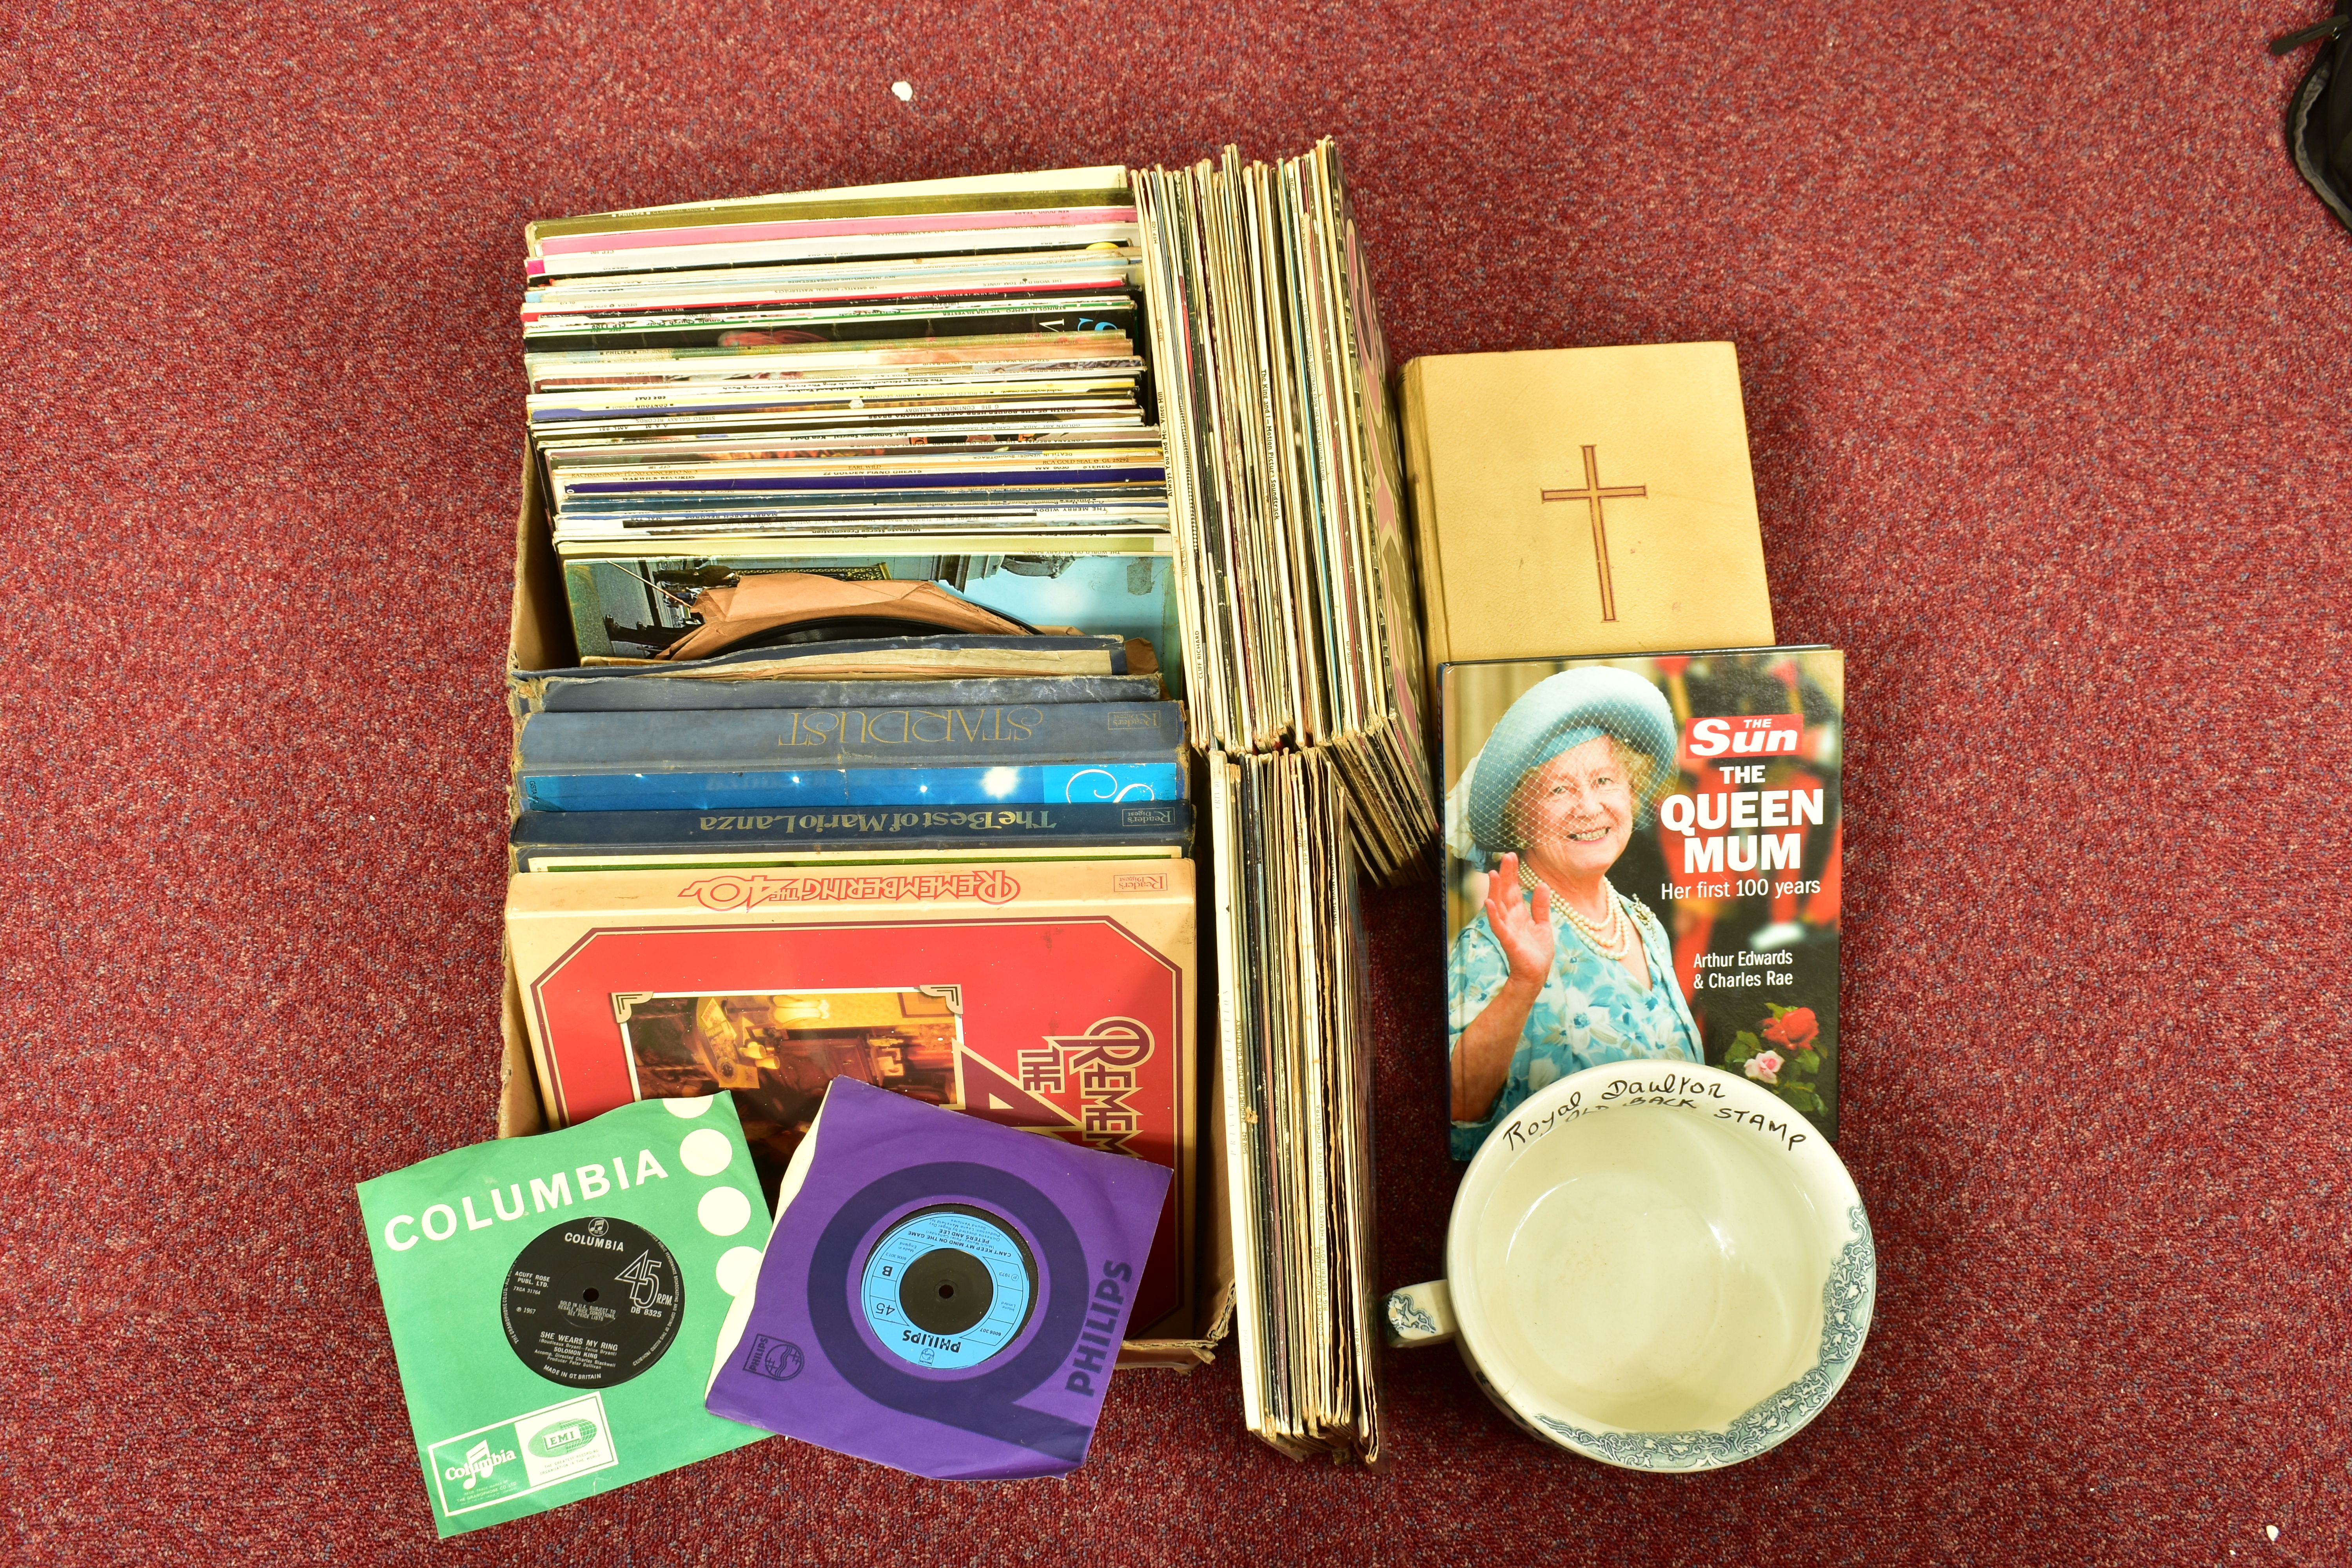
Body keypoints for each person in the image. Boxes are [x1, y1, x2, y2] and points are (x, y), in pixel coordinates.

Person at [1448, 666, 1703, 1158]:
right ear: (1518, 820)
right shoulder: (1494, 941)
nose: (1589, 806)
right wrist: (1524, 982)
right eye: (1558, 790)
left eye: (1605, 780)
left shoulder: (1642, 923)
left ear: (1631, 792)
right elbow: (1459, 1108)